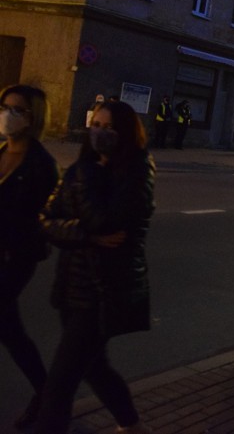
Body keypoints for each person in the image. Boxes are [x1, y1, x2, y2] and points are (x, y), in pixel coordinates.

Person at [36, 101, 155, 434]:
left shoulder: (136, 170)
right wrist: (84, 234)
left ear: (126, 134)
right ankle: (132, 424)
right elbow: (46, 220)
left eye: (108, 127)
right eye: (96, 124)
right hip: (72, 285)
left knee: (59, 384)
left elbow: (109, 224)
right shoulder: (83, 168)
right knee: (95, 367)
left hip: (104, 291)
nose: (99, 132)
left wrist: (87, 178)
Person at [0, 85, 59, 429]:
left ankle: (49, 395)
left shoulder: (42, 166)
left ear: (32, 118)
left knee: (7, 325)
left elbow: (46, 224)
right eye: (4, 106)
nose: (7, 114)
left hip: (14, 259)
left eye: (15, 109)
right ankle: (49, 394)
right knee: (10, 330)